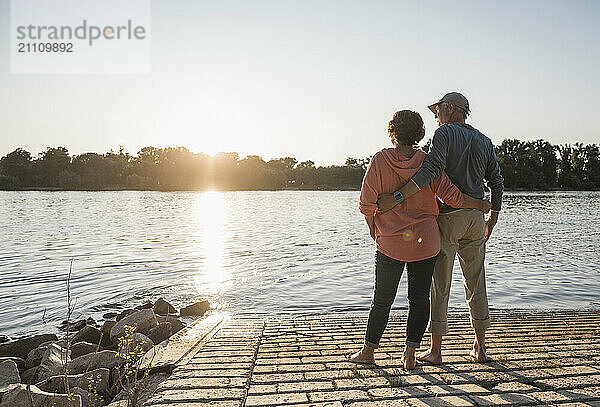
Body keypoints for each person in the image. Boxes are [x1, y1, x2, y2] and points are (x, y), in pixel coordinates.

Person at [347, 110, 491, 370]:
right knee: (419, 299)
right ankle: (410, 355)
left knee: (382, 299)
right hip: (427, 241)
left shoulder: (380, 160)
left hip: (390, 241)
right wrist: (480, 204)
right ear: (419, 134)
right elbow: (453, 197)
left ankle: (368, 352)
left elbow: (366, 204)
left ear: (392, 132)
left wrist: (374, 229)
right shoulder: (428, 162)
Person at [377, 92, 504, 364]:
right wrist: (492, 216)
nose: (435, 117)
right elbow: (496, 181)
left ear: (449, 108)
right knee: (476, 282)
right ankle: (480, 348)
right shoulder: (484, 140)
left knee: (440, 285)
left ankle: (435, 351)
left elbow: (430, 171)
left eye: (437, 112)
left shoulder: (444, 134)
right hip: (475, 219)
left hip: (449, 217)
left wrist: (398, 197)